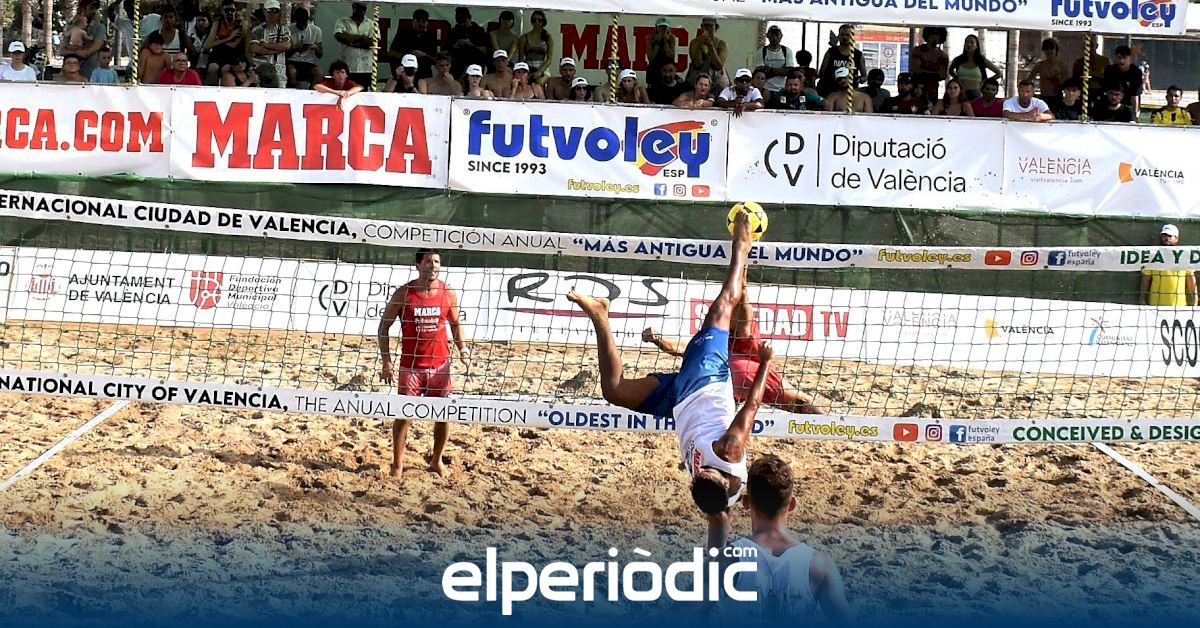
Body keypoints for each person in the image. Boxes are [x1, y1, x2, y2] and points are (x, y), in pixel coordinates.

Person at [568, 210, 771, 538]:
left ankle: (600, 316)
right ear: (723, 481)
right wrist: (765, 363)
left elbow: (718, 528)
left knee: (614, 391)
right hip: (705, 380)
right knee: (722, 308)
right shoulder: (730, 449)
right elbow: (752, 405)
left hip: (678, 404)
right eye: (705, 472)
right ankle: (742, 247)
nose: (699, 470)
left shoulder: (712, 500)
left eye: (697, 474)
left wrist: (715, 565)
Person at [644, 276, 822, 416]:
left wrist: (741, 265)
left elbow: (742, 295)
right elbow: (682, 348)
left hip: (757, 380)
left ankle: (829, 425)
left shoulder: (744, 334)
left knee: (801, 403)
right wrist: (658, 339)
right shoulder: (714, 339)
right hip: (725, 393)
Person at [721, 455, 854, 623]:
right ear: (791, 504)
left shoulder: (728, 558)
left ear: (746, 502)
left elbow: (691, 609)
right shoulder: (819, 564)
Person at [378, 249, 470, 478]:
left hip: (440, 366)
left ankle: (436, 461)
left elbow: (455, 324)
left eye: (437, 261)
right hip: (411, 367)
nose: (433, 265)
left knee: (443, 416)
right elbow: (383, 327)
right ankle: (397, 465)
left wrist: (463, 349)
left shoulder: (447, 293)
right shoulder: (404, 293)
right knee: (404, 416)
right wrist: (386, 362)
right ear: (418, 265)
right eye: (428, 261)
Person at [1142, 225, 1197, 307]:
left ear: (1176, 239)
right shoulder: (1154, 256)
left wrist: (1195, 300)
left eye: (1170, 236)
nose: (1166, 238)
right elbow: (1146, 280)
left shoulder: (1184, 257)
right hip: (1156, 306)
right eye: (1164, 235)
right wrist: (1142, 299)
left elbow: (1191, 281)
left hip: (1179, 307)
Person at [334, 2, 376, 89]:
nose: (361, 11)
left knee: (363, 93)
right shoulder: (342, 21)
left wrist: (350, 40)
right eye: (359, 8)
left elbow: (373, 42)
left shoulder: (371, 24)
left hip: (365, 68)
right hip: (347, 65)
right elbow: (339, 36)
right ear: (353, 7)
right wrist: (363, 38)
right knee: (346, 92)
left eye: (363, 9)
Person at [389, 8, 440, 79]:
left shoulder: (430, 37)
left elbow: (435, 59)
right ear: (413, 21)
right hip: (405, 74)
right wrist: (408, 56)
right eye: (418, 21)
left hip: (424, 74)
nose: (421, 24)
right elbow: (391, 53)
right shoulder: (403, 34)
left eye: (424, 22)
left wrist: (424, 55)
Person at [250, 0, 290, 88]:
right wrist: (277, 49)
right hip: (259, 69)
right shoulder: (257, 30)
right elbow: (255, 48)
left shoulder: (284, 30)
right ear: (264, 11)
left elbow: (286, 45)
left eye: (276, 11)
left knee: (280, 94)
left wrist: (266, 45)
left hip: (279, 70)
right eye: (270, 10)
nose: (272, 13)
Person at [816, 24, 864, 97]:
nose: (845, 37)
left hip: (848, 94)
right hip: (829, 91)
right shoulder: (830, 52)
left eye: (847, 35)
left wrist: (858, 79)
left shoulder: (858, 55)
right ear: (838, 36)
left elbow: (864, 76)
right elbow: (822, 72)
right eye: (842, 34)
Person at [949, 34, 1000, 100]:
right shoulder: (958, 59)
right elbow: (950, 70)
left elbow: (999, 73)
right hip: (961, 92)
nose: (969, 44)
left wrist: (985, 82)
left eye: (972, 42)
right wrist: (956, 78)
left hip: (976, 93)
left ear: (977, 45)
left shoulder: (981, 60)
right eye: (967, 42)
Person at [205, 0, 245, 84]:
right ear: (222, 11)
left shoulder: (239, 24)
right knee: (212, 68)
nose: (229, 12)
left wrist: (217, 42)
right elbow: (207, 45)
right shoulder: (218, 24)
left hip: (233, 54)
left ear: (235, 11)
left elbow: (234, 45)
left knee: (226, 69)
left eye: (232, 10)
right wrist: (229, 38)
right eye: (226, 10)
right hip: (218, 53)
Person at [687, 17, 729, 94]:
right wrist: (700, 45)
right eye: (706, 26)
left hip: (716, 81)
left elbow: (718, 66)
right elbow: (697, 64)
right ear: (702, 27)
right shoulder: (694, 42)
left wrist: (710, 46)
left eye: (711, 26)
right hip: (697, 80)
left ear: (716, 28)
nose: (708, 28)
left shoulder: (721, 44)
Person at [447, 6, 490, 78]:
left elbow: (484, 50)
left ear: (469, 19)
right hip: (459, 62)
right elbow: (448, 48)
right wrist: (456, 44)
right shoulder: (454, 31)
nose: (464, 25)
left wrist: (471, 44)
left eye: (465, 22)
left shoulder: (479, 31)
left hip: (476, 61)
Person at [287, 6, 323, 89]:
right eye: (300, 24)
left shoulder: (316, 30)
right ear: (296, 21)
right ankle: (292, 91)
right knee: (292, 72)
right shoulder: (289, 30)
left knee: (319, 74)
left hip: (308, 62)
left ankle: (311, 92)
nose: (303, 26)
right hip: (292, 60)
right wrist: (295, 48)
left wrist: (315, 47)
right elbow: (285, 54)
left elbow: (320, 54)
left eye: (304, 23)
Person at [910, 26, 949, 102]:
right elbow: (916, 70)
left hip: (933, 90)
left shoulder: (943, 55)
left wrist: (925, 71)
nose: (935, 37)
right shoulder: (918, 51)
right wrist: (935, 73)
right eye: (933, 33)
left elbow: (942, 75)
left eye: (938, 34)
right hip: (917, 88)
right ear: (927, 35)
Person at [1102, 45, 1143, 117]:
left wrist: (1134, 115)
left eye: (1125, 58)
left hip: (1128, 103)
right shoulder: (1110, 70)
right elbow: (1106, 90)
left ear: (1130, 58)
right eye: (1119, 58)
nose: (1122, 61)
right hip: (1111, 103)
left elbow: (1135, 96)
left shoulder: (1136, 72)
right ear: (1115, 58)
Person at [513, 10, 552, 84]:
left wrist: (540, 71)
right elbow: (521, 58)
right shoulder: (524, 37)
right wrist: (523, 71)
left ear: (543, 22)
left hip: (542, 67)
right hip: (528, 65)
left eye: (539, 20)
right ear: (531, 22)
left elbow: (549, 59)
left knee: (539, 82)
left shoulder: (548, 37)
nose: (537, 22)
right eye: (534, 20)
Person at [758, 25, 794, 95]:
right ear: (767, 35)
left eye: (777, 35)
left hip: (783, 89)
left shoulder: (787, 51)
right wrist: (781, 70)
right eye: (772, 35)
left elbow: (790, 71)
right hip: (766, 89)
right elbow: (761, 72)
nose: (774, 38)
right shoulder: (761, 51)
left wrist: (770, 70)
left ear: (781, 36)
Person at [645, 17, 678, 88]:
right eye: (661, 27)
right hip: (654, 70)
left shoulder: (671, 38)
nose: (663, 29)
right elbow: (650, 57)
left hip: (667, 71)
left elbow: (671, 55)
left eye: (665, 27)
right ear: (656, 28)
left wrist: (666, 42)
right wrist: (657, 42)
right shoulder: (650, 38)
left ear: (668, 28)